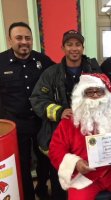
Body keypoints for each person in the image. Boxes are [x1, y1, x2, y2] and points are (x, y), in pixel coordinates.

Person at [48, 73, 111, 200]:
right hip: (85, 176)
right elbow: (55, 149)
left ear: (106, 94)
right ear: (82, 96)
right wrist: (76, 163)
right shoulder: (69, 121)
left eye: (99, 92)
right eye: (90, 92)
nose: (95, 96)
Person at [30, 30, 101, 199]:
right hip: (59, 135)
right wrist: (59, 111)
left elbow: (107, 97)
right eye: (69, 44)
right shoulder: (50, 73)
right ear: (63, 47)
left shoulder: (95, 70)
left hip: (89, 136)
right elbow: (37, 99)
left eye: (78, 44)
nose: (74, 48)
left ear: (83, 48)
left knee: (89, 177)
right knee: (60, 178)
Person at [0, 22, 55, 200]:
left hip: (41, 122)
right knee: (22, 164)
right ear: (10, 41)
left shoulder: (43, 61)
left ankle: (41, 189)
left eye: (27, 38)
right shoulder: (0, 62)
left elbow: (59, 77)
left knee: (45, 160)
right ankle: (29, 195)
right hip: (16, 124)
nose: (24, 42)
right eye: (19, 38)